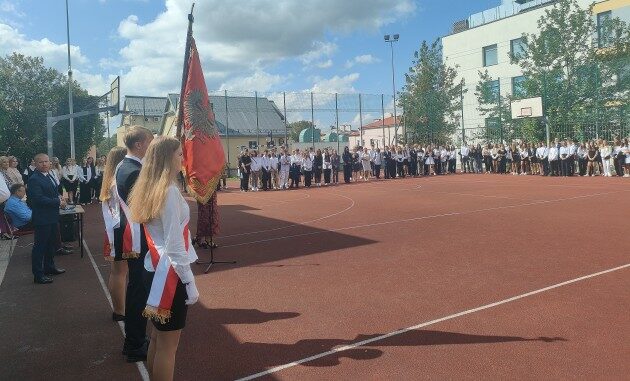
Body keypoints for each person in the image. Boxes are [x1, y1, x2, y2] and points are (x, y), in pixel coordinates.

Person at [128, 136, 199, 381]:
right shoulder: (168, 191)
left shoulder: (150, 187)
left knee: (158, 339)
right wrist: (189, 281)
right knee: (168, 347)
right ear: (168, 158)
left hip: (154, 267)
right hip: (170, 273)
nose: (183, 158)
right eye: (179, 154)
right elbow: (174, 243)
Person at [116, 125, 154, 362]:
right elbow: (146, 209)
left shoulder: (124, 165)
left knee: (137, 289)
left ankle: (135, 338)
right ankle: (134, 343)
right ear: (139, 144)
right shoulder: (135, 171)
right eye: (149, 142)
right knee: (139, 290)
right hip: (137, 237)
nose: (151, 147)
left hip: (133, 235)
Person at [99, 146, 128, 322]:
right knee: (121, 272)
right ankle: (121, 309)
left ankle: (119, 309)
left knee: (117, 272)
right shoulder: (119, 179)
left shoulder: (109, 178)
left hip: (113, 227)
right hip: (123, 228)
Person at [27, 154, 66, 284]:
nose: (44, 164)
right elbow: (38, 199)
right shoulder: (34, 179)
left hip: (52, 216)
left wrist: (60, 198)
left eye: (46, 162)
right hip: (42, 218)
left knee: (51, 244)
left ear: (50, 163)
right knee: (40, 247)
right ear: (35, 164)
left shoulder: (48, 175)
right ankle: (38, 275)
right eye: (41, 162)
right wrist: (57, 202)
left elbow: (53, 192)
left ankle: (49, 267)